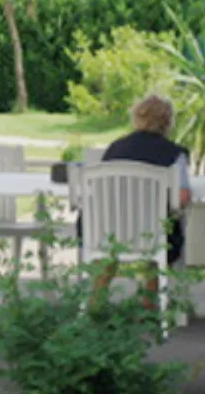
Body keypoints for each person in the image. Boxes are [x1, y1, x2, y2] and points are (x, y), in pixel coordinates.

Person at [79, 94, 192, 311]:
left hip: (106, 232)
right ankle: (149, 302)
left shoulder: (116, 148)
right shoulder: (174, 154)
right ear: (168, 122)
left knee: (114, 239)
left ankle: (95, 302)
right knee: (160, 228)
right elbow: (182, 197)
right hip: (152, 235)